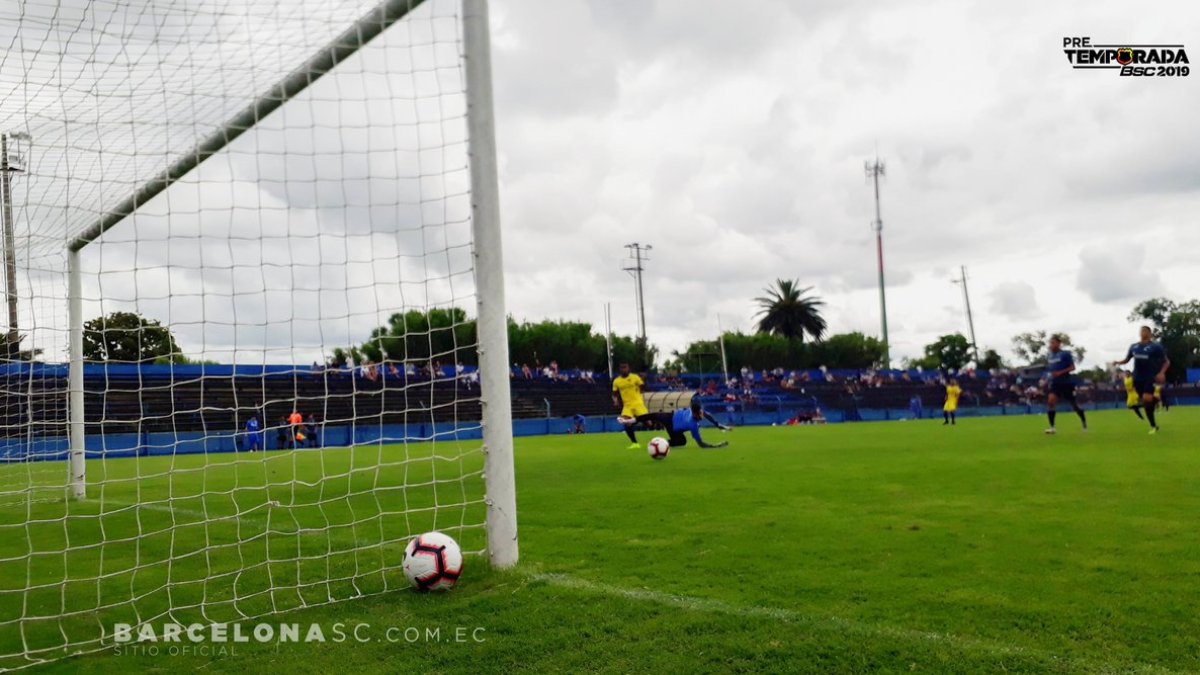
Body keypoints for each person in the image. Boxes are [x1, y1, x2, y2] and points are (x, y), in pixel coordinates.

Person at [1112, 326, 1170, 434]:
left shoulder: (1156, 347)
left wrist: (1161, 373)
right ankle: (1154, 416)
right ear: (1140, 333)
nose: (1143, 333)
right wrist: (1118, 362)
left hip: (1150, 377)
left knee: (1146, 398)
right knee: (1146, 401)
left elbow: (1166, 362)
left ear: (1150, 333)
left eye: (1145, 331)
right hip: (1137, 378)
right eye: (1142, 331)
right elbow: (1127, 359)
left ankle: (1153, 421)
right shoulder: (1134, 347)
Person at [1044, 334, 1087, 434]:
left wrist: (1060, 372)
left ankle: (1084, 422)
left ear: (1059, 344)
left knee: (1074, 405)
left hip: (1066, 383)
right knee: (1050, 402)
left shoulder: (1065, 354)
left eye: (1053, 343)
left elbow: (1072, 367)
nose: (1051, 345)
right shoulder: (1050, 355)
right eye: (1050, 343)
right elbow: (1050, 369)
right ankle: (1052, 427)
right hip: (1055, 383)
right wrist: (1047, 378)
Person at [644, 401, 730, 449]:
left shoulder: (694, 412)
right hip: (673, 427)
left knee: (682, 441)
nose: (702, 414)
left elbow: (707, 415)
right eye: (700, 413)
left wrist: (718, 425)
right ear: (695, 414)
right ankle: (658, 444)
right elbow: (701, 444)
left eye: (701, 412)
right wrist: (715, 446)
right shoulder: (692, 424)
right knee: (681, 441)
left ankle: (657, 444)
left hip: (674, 420)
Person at [612, 363, 651, 449]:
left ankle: (657, 440)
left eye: (625, 368)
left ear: (629, 369)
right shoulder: (617, 381)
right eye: (622, 368)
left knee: (648, 424)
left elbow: (643, 387)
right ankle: (635, 443)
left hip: (638, 404)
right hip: (627, 406)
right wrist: (615, 401)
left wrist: (643, 380)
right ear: (620, 370)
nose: (624, 369)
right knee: (625, 423)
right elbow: (614, 394)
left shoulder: (635, 377)